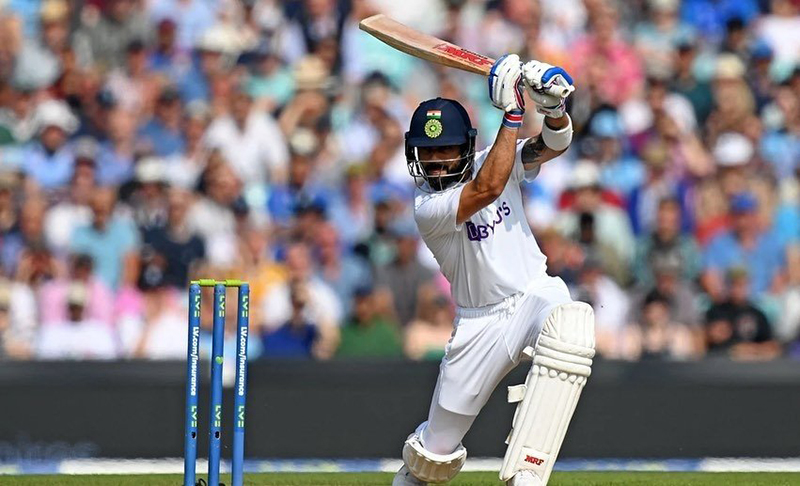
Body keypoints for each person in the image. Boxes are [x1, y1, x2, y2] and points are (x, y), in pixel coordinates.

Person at [393, 55, 594, 486]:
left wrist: (554, 109)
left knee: (570, 328)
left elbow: (553, 145)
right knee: (430, 460)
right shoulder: (428, 207)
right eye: (428, 152)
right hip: (478, 323)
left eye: (446, 150)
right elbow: (486, 188)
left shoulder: (495, 157)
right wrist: (514, 112)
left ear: (467, 147)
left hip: (533, 294)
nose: (436, 162)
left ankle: (527, 472)